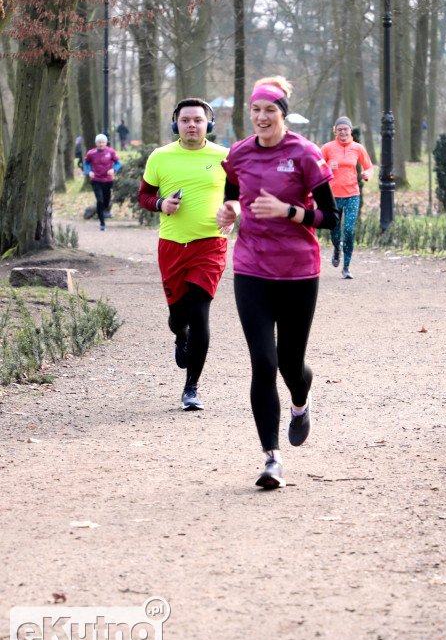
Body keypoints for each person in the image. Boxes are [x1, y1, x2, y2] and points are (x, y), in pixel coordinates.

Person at [216, 77, 338, 490]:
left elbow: (330, 218)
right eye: (256, 110)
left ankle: (301, 403)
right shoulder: (239, 153)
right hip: (251, 268)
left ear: (283, 114)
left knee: (289, 363)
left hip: (299, 272)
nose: (262, 117)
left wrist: (289, 211)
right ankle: (272, 459)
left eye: (270, 110)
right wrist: (229, 210)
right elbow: (232, 194)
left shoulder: (304, 154)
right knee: (263, 363)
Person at [138, 99, 229, 412]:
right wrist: (160, 204)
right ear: (176, 124)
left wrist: (234, 211)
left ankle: (191, 388)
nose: (192, 125)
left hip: (210, 244)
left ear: (209, 124)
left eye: (198, 120)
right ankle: (181, 336)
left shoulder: (225, 157)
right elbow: (143, 196)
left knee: (200, 312)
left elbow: (239, 194)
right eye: (186, 120)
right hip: (172, 246)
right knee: (179, 317)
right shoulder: (160, 156)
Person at [321, 116, 374, 278]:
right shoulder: (328, 148)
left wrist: (367, 175)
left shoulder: (358, 148)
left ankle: (346, 267)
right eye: (340, 129)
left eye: (346, 129)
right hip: (333, 196)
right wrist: (328, 167)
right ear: (335, 131)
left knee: (349, 230)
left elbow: (369, 167)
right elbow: (315, 167)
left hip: (352, 194)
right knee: (335, 231)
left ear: (351, 130)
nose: (343, 132)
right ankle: (337, 248)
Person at [84, 134, 121, 231]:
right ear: (96, 143)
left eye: (103, 142)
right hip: (96, 180)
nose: (101, 144)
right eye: (99, 142)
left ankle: (100, 211)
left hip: (108, 180)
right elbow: (86, 163)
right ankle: (102, 223)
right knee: (99, 201)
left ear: (106, 143)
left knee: (106, 202)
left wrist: (114, 169)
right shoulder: (91, 153)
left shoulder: (111, 152)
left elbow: (118, 163)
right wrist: (89, 172)